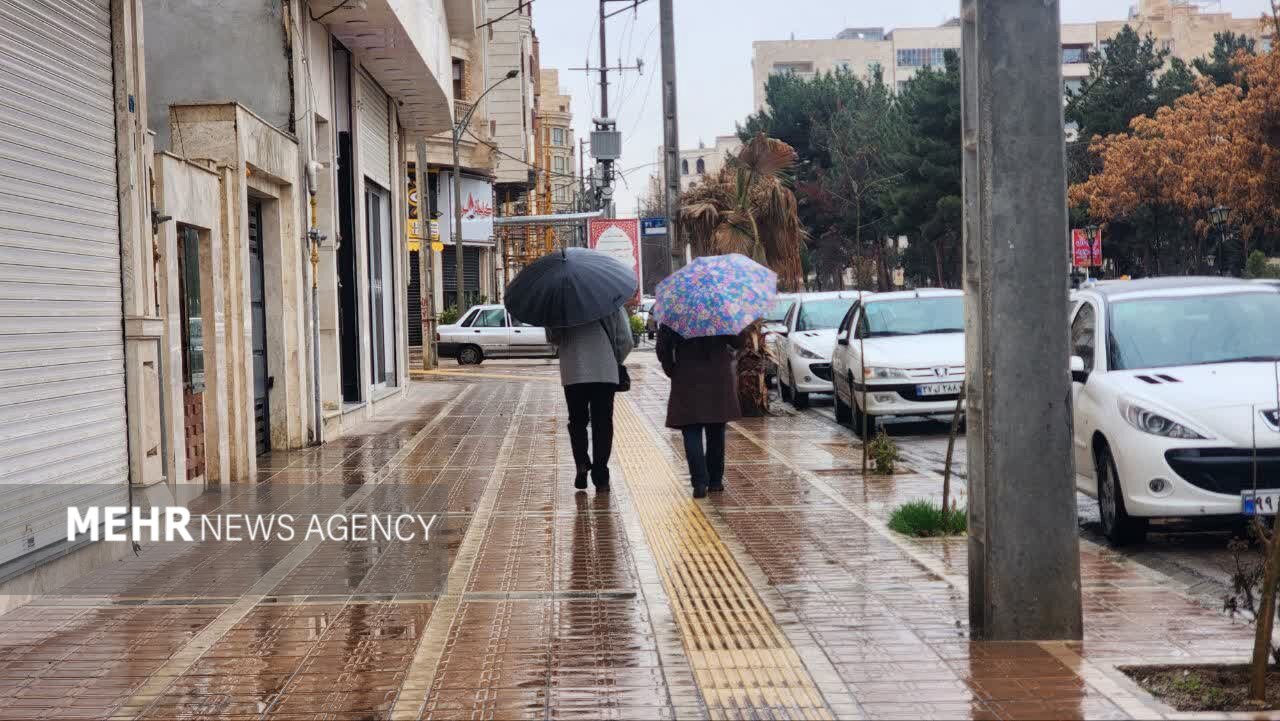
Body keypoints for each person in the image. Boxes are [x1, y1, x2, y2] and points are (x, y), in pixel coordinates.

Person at [546, 307, 633, 491]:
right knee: (602, 423)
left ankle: (582, 464)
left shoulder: (561, 303)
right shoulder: (610, 301)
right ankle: (601, 476)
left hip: (573, 371)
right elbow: (626, 340)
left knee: (577, 421)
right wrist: (613, 358)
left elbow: (553, 337)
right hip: (604, 371)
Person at [656, 324, 744, 498]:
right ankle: (715, 481)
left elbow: (663, 348)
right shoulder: (720, 311)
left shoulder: (677, 312)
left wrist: (671, 369)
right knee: (716, 429)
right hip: (718, 375)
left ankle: (699, 482)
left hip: (687, 374)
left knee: (691, 429)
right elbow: (738, 342)